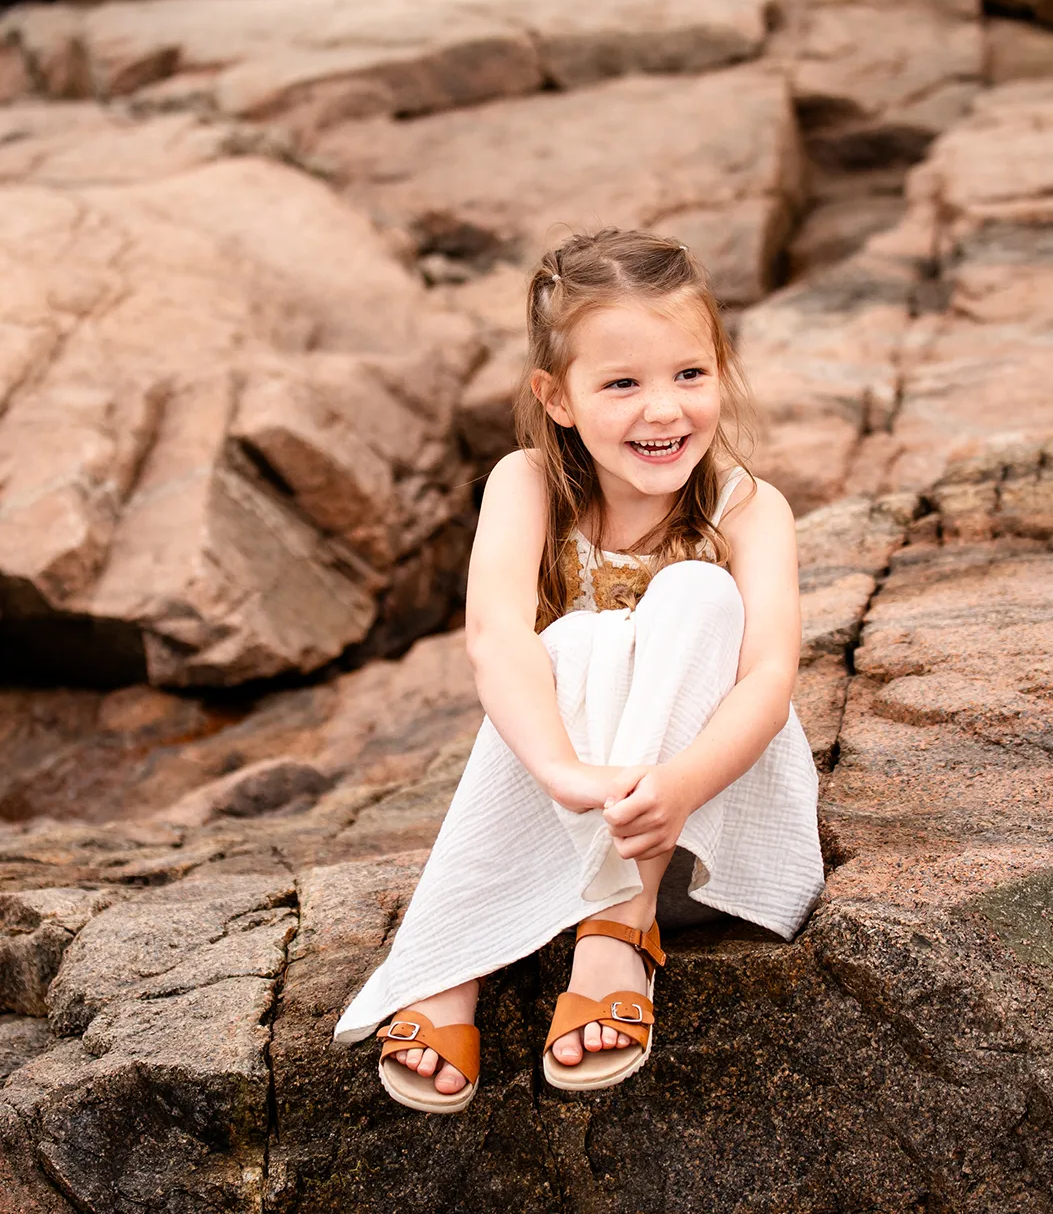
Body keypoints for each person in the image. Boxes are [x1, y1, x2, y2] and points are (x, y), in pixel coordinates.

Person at [332, 228, 824, 1112]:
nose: (664, 410)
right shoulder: (525, 483)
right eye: (622, 384)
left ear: (721, 368)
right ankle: (453, 963)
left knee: (696, 597)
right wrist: (565, 774)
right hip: (576, 816)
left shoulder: (749, 508)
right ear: (556, 398)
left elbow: (769, 679)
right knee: (560, 646)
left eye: (689, 374)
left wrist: (676, 785)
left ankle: (615, 935)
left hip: (701, 826)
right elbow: (494, 637)